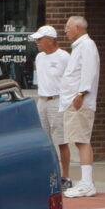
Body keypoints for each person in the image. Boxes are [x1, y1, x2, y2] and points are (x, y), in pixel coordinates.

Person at [62, 15, 101, 197]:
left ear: (77, 27)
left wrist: (80, 94)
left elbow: (89, 72)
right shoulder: (80, 46)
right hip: (75, 100)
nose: (66, 31)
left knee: (82, 140)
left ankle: (87, 183)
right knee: (79, 140)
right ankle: (85, 181)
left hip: (80, 101)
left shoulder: (87, 46)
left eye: (68, 27)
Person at [31, 26, 73, 184]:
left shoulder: (64, 57)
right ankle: (49, 175)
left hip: (58, 100)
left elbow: (71, 81)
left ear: (50, 40)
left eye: (40, 39)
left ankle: (65, 176)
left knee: (61, 140)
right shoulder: (39, 57)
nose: (37, 42)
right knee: (44, 141)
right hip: (42, 100)